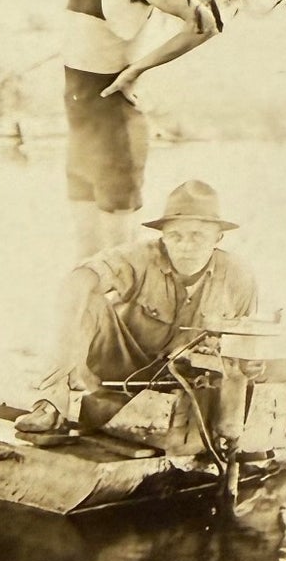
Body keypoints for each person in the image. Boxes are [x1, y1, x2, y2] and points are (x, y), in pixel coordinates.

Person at [14, 179, 258, 441]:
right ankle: (49, 405)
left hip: (188, 385)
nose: (186, 246)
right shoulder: (141, 257)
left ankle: (237, 443)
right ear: (163, 237)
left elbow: (249, 346)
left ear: (218, 238)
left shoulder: (239, 277)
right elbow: (80, 279)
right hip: (120, 366)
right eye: (176, 236)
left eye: (198, 235)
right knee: (88, 302)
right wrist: (70, 352)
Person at [56, 0, 221, 255]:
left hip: (114, 123)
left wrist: (138, 69)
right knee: (86, 251)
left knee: (119, 255)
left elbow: (204, 23)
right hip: (80, 122)